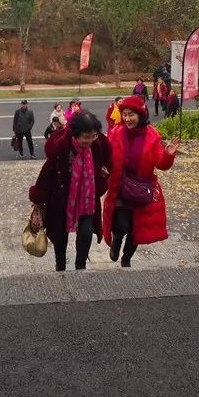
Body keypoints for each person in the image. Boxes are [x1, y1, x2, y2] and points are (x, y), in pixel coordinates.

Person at [29, 111, 112, 271]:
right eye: (85, 137)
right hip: (61, 200)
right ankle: (60, 266)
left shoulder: (97, 146)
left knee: (86, 233)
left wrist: (104, 176)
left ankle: (80, 266)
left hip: (87, 199)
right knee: (60, 238)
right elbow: (47, 172)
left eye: (93, 136)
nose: (89, 140)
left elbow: (108, 164)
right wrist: (38, 200)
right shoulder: (62, 148)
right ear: (75, 134)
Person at [103, 95, 179, 267]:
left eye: (131, 115)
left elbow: (161, 164)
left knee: (136, 230)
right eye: (125, 114)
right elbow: (106, 155)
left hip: (142, 188)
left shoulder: (152, 136)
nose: (127, 118)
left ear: (141, 115)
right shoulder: (116, 133)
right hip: (121, 186)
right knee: (121, 225)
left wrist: (168, 155)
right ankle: (116, 241)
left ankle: (126, 259)